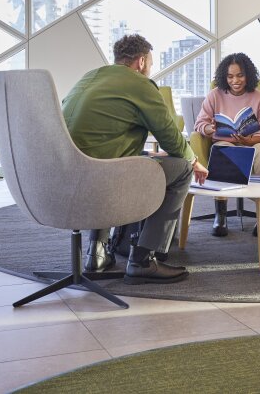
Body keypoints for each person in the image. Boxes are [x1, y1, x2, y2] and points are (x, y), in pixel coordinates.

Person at [62, 34, 209, 285]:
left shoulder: (90, 77)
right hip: (103, 177)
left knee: (140, 159)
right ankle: (143, 258)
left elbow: (100, 140)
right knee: (183, 168)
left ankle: (96, 253)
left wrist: (146, 155)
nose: (149, 69)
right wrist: (194, 160)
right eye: (150, 63)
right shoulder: (140, 84)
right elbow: (171, 138)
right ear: (141, 62)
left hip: (69, 174)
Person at [194, 53, 260, 237]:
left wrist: (251, 140)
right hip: (225, 141)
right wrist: (209, 128)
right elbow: (199, 124)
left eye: (240, 75)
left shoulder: (258, 97)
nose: (235, 81)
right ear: (225, 77)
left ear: (248, 75)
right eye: (230, 76)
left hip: (252, 142)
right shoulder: (214, 96)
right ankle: (220, 216)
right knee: (221, 148)